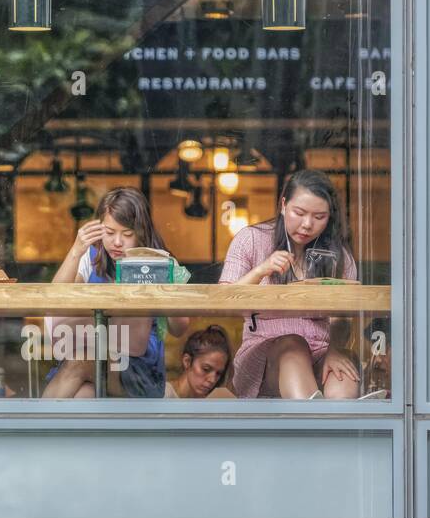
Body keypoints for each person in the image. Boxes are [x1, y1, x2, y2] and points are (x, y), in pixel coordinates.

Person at [220, 169, 361, 399]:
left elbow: (342, 317)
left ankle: (336, 421)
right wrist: (260, 270)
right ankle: (314, 420)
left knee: (344, 367)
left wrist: (334, 349)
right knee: (294, 345)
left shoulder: (337, 255)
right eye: (299, 212)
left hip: (321, 349)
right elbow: (223, 299)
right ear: (283, 205)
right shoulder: (251, 239)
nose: (307, 224)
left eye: (319, 217)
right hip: (266, 355)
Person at [43, 188, 190, 399]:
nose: (117, 242)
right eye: (109, 233)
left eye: (127, 234)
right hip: (97, 360)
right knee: (83, 395)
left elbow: (180, 328)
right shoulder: (91, 257)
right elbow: (54, 299)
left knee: (80, 361)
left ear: (141, 231)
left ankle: (31, 427)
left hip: (140, 371)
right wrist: (76, 250)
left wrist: (162, 286)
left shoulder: (162, 263)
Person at [166, 325, 234, 398]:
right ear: (187, 361)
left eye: (218, 373)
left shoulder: (209, 403)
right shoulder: (162, 395)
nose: (212, 380)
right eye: (206, 369)